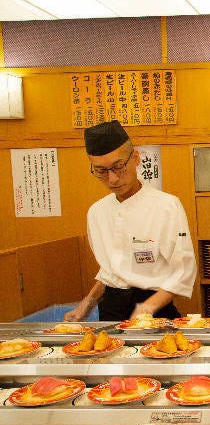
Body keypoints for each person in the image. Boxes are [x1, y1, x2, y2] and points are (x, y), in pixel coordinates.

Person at [64, 120, 197, 322]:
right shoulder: (96, 212)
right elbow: (112, 271)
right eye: (101, 171)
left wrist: (148, 307)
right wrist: (87, 304)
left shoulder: (166, 206)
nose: (113, 179)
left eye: (118, 167)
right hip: (110, 310)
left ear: (135, 158)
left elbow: (184, 270)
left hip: (153, 307)